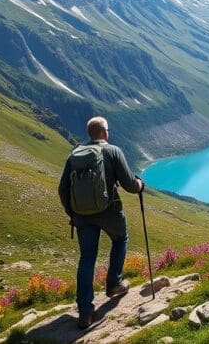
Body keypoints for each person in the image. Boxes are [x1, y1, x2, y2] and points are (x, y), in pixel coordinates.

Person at [58, 116, 144, 329]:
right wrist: (140, 185)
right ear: (105, 133)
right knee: (120, 238)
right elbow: (129, 184)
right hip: (109, 211)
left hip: (82, 216)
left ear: (90, 133)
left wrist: (74, 213)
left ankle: (85, 312)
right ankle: (114, 283)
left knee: (87, 257)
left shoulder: (75, 155)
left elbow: (62, 189)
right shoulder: (113, 151)